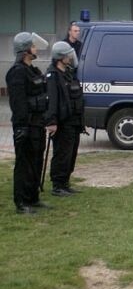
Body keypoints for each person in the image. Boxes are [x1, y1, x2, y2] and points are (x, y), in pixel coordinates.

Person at [6, 32, 50, 214]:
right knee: (24, 163)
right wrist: (22, 127)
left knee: (36, 161)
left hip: (38, 123)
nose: (35, 48)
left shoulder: (34, 70)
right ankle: (22, 202)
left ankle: (33, 197)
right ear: (25, 50)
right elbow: (18, 103)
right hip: (26, 125)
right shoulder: (17, 73)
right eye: (32, 46)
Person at [45, 41, 85, 196]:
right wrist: (52, 121)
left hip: (73, 121)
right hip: (62, 122)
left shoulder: (67, 73)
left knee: (71, 153)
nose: (70, 56)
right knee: (62, 153)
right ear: (60, 57)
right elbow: (52, 101)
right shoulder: (53, 75)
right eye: (67, 54)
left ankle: (65, 182)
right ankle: (58, 185)